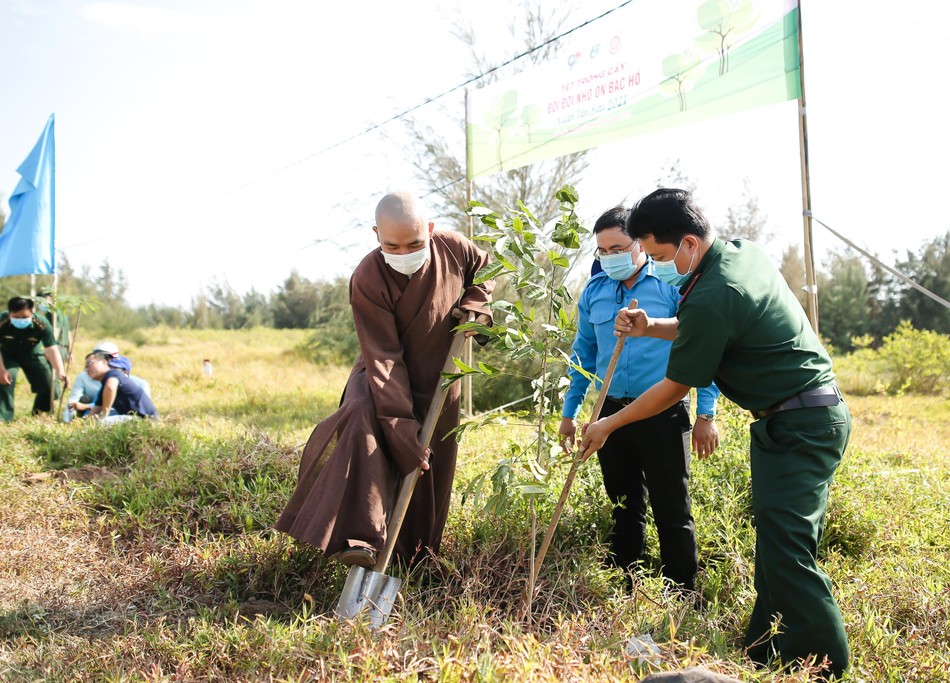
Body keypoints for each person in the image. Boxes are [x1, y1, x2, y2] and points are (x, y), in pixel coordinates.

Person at [580, 189, 851, 678]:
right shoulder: (739, 254)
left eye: (660, 257)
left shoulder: (714, 292)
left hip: (803, 422)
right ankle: (769, 651)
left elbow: (673, 387)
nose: (659, 266)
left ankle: (826, 666)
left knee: (789, 549)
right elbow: (698, 325)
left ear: (687, 242)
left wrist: (608, 424)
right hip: (785, 418)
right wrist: (651, 326)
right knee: (773, 544)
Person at [276, 192, 493, 568]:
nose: (404, 252)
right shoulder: (367, 277)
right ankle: (359, 539)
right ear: (376, 234)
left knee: (429, 467)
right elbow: (385, 357)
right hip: (381, 373)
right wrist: (399, 424)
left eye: (414, 243)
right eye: (391, 244)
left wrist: (476, 303)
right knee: (364, 421)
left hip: (440, 374)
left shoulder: (455, 248)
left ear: (430, 229)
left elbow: (486, 270)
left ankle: (416, 559)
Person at [560, 207, 720, 593]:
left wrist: (706, 412)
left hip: (663, 408)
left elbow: (702, 347)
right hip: (609, 412)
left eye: (618, 246)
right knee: (623, 504)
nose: (610, 256)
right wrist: (570, 413)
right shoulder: (595, 293)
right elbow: (582, 354)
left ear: (639, 245)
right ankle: (625, 582)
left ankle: (681, 591)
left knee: (672, 505)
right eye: (602, 251)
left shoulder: (671, 285)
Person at [0, 296, 70, 422]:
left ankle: (39, 414)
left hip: (33, 354)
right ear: (10, 313)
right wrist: (2, 370)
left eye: (25, 317)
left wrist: (61, 371)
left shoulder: (41, 323)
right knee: (4, 381)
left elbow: (52, 349)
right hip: (7, 355)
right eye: (16, 317)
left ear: (32, 312)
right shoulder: (2, 320)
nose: (21, 320)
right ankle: (3, 418)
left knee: (48, 385)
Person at [67, 341, 151, 417]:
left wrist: (101, 416)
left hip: (132, 417)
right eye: (97, 357)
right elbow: (76, 399)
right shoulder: (85, 377)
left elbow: (111, 388)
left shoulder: (116, 376)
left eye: (106, 358)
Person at [85, 352, 158, 422]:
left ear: (104, 362)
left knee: (101, 423)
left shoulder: (113, 374)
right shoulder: (104, 385)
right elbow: (96, 409)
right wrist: (84, 425)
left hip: (144, 419)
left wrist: (103, 415)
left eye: (90, 364)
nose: (88, 369)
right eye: (86, 367)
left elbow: (111, 387)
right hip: (136, 419)